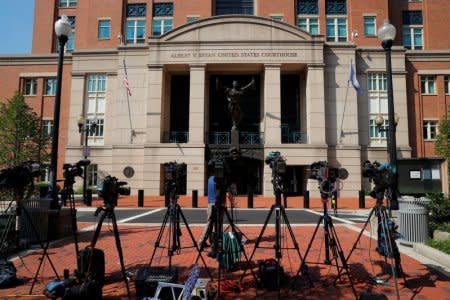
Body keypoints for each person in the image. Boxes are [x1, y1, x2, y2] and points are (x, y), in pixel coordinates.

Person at [199, 174, 216, 245]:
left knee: (210, 223)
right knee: (213, 224)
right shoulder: (218, 180)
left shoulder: (210, 178)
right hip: (216, 203)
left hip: (210, 203)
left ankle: (209, 240)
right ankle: (204, 240)